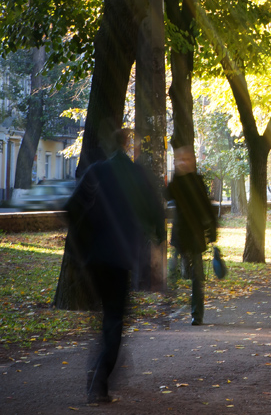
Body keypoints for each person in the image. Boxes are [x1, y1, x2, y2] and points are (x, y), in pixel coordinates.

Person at [64, 128, 164, 404]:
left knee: (106, 317)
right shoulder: (137, 175)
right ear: (128, 146)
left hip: (93, 259)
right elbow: (156, 215)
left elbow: (71, 209)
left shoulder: (97, 171)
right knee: (114, 320)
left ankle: (98, 370)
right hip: (120, 258)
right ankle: (98, 382)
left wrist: (83, 243)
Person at [167, 145, 217, 326]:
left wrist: (212, 232)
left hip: (195, 236)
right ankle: (169, 309)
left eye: (186, 159)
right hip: (180, 235)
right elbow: (167, 195)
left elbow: (207, 207)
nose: (183, 162)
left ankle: (197, 314)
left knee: (197, 277)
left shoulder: (197, 180)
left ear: (192, 161)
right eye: (180, 159)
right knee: (172, 275)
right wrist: (176, 175)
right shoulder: (176, 182)